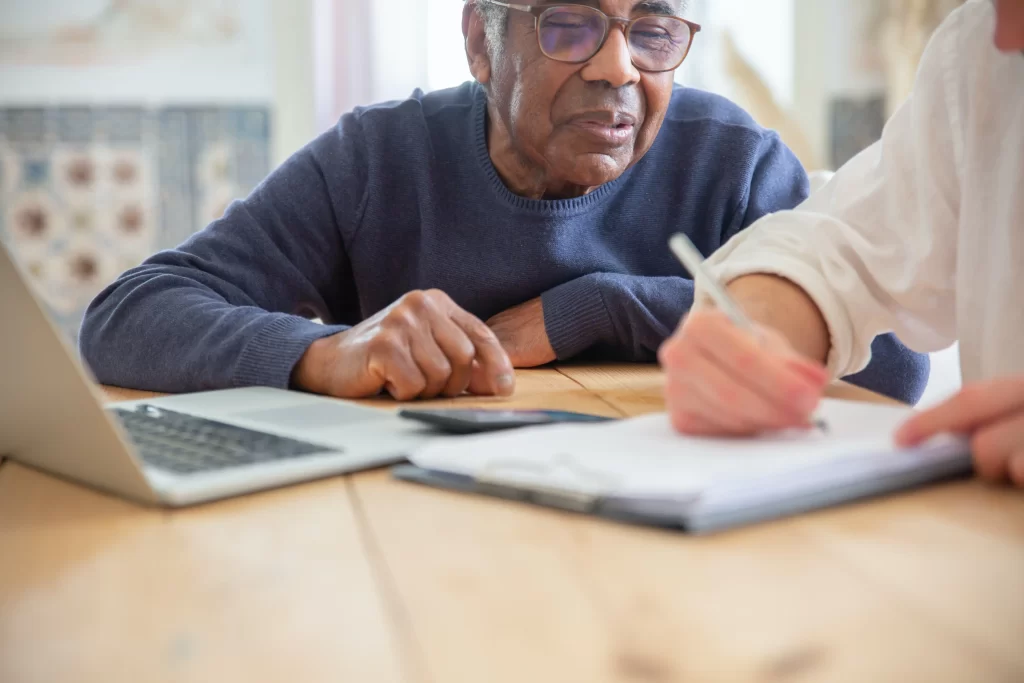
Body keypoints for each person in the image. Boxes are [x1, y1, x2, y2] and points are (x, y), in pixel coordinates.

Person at [80, 0, 928, 402]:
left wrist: (599, 306)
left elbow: (892, 364)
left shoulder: (731, 161)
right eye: (570, 24)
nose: (618, 67)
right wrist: (324, 352)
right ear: (480, 43)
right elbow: (125, 316)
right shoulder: (379, 157)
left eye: (652, 30)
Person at [660, 0, 1024, 486]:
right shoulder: (981, 54)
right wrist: (754, 336)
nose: (1002, 29)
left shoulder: (731, 150)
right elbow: (839, 244)